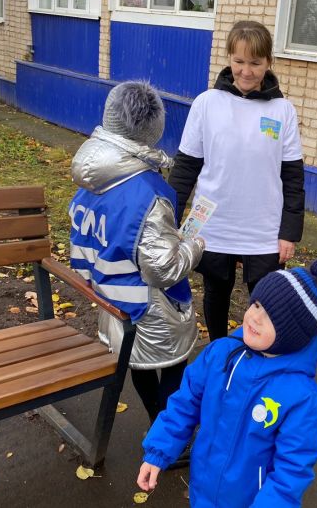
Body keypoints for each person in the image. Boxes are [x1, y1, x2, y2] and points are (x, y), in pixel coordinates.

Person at [136, 258, 317, 507]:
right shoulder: (220, 354)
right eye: (256, 304)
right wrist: (158, 452)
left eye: (271, 317)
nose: (255, 317)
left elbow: (292, 471)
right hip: (203, 486)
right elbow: (184, 404)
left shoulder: (301, 398)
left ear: (292, 334)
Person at [69, 81, 205, 425]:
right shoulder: (150, 191)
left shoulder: (91, 178)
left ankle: (157, 420)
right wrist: (195, 244)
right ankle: (167, 431)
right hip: (151, 306)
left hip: (112, 296)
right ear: (153, 129)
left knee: (138, 362)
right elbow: (164, 270)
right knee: (173, 363)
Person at [168, 20, 305, 343]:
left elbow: (293, 178)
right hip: (214, 224)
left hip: (264, 228)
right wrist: (168, 221)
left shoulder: (283, 111)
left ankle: (256, 356)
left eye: (255, 63)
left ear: (268, 63)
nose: (246, 71)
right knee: (216, 291)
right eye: (239, 61)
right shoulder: (207, 104)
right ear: (229, 58)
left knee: (266, 299)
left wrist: (289, 232)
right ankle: (218, 348)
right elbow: (185, 169)